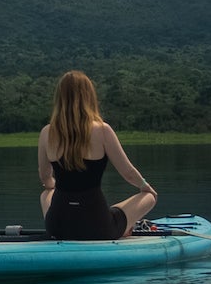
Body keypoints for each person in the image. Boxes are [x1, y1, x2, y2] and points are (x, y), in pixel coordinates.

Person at [37, 70, 158, 239]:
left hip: (58, 227)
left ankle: (71, 223)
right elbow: (129, 173)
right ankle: (122, 226)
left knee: (46, 193)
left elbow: (45, 177)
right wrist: (146, 187)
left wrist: (52, 186)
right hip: (98, 228)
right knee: (149, 197)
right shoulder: (102, 130)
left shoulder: (46, 133)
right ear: (88, 96)